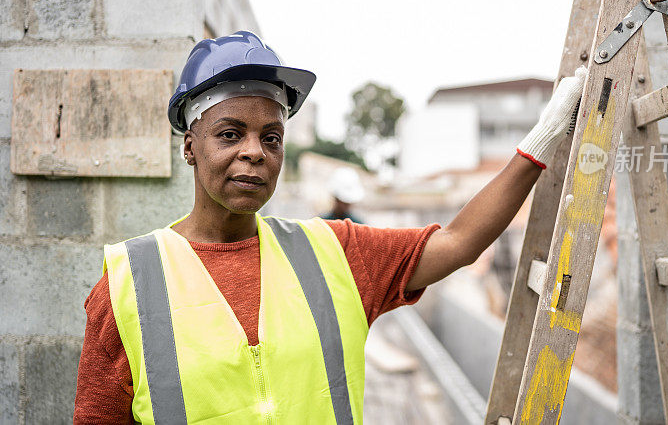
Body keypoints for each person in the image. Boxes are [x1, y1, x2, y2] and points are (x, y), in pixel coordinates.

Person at [73, 31, 586, 424]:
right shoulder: (128, 284)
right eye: (230, 134)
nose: (254, 150)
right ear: (190, 145)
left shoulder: (335, 252)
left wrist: (544, 134)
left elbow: (456, 242)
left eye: (271, 138)